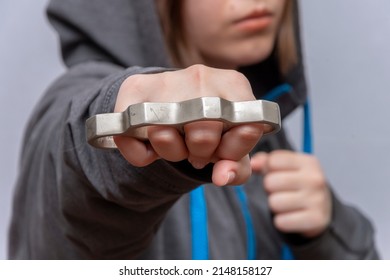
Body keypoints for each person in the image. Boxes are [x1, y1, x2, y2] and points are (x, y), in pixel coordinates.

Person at [8, 0, 378, 259]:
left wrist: (330, 233)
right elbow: (73, 174)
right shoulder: (73, 103)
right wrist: (132, 110)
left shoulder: (262, 133)